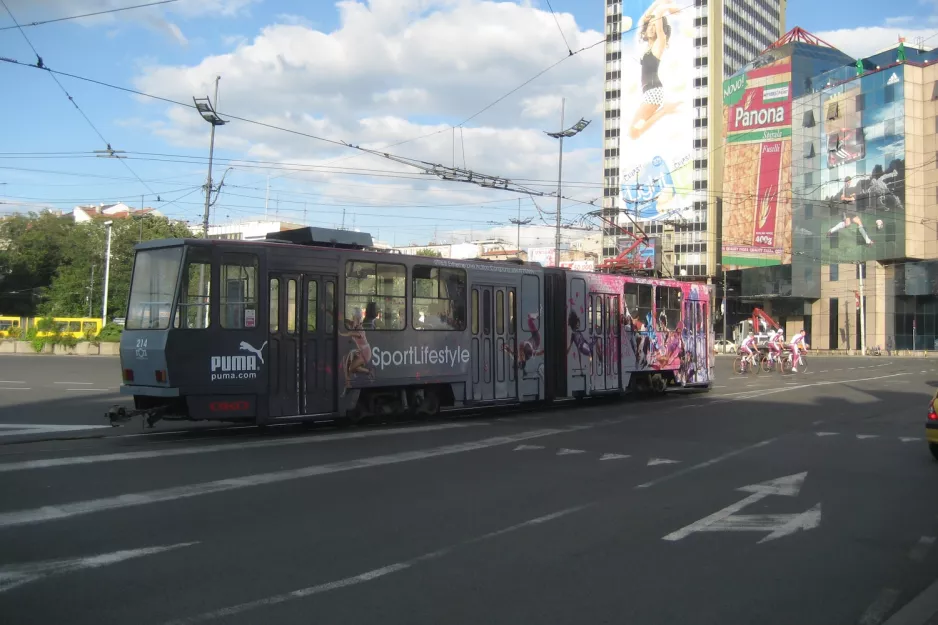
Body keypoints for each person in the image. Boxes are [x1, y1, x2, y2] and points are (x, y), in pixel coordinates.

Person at [628, 0, 682, 140]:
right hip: (649, 92)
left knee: (634, 132)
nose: (651, 28)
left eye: (655, 26)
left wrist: (665, 7)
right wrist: (658, 2)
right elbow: (644, 19)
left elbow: (658, 17)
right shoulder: (646, 47)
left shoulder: (659, 43)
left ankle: (665, 110)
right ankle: (664, 110)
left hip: (653, 92)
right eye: (649, 26)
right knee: (636, 130)